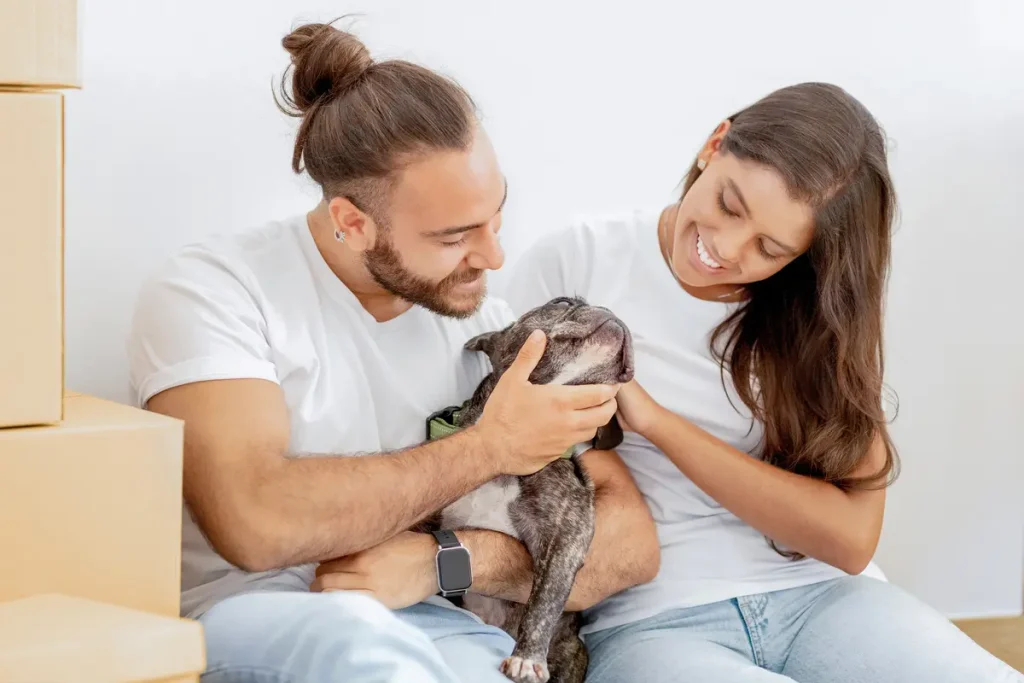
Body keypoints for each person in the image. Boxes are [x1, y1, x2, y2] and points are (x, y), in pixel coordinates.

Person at [126, 21, 659, 683]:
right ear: (353, 222)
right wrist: (490, 446)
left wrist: (451, 561)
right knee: (368, 649)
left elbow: (631, 544)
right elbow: (254, 519)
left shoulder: (492, 333)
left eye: (496, 216)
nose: (494, 257)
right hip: (262, 614)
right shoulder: (217, 291)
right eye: (455, 236)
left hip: (432, 616)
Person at [505, 82, 1023, 682]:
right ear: (714, 144)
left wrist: (655, 422)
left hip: (822, 601)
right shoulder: (577, 262)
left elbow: (851, 541)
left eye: (770, 247)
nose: (722, 249)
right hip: (651, 620)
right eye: (729, 204)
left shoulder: (812, 320)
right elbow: (497, 438)